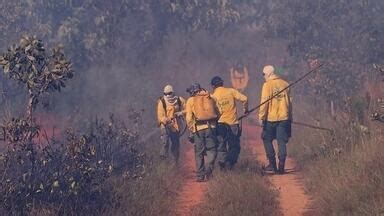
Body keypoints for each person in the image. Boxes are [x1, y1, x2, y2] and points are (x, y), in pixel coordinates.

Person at [258, 65, 292, 174]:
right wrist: (290, 117)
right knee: (281, 141)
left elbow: (264, 103)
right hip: (284, 118)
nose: (263, 76)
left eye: (263, 74)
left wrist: (261, 117)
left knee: (266, 139)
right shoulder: (285, 84)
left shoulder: (267, 85)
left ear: (268, 73)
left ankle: (272, 165)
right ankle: (281, 164)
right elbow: (290, 104)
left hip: (270, 119)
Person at [211, 76, 248, 170]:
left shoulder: (213, 97)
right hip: (233, 124)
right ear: (222, 83)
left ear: (213, 86)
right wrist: (245, 109)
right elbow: (245, 99)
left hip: (220, 125)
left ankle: (222, 164)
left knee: (221, 145)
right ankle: (230, 163)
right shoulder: (231, 91)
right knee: (234, 146)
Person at [185, 83, 219, 182]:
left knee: (199, 153)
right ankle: (209, 171)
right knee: (212, 150)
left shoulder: (190, 100)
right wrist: (214, 124)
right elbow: (218, 111)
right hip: (211, 127)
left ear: (192, 91)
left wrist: (191, 129)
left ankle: (200, 175)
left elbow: (188, 118)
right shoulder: (210, 96)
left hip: (198, 129)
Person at [157, 84, 186, 164]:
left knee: (175, 145)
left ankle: (175, 163)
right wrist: (167, 120)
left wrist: (180, 113)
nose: (168, 95)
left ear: (173, 92)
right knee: (165, 143)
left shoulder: (180, 100)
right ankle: (163, 160)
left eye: (169, 93)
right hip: (165, 126)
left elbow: (188, 110)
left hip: (176, 127)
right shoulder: (162, 102)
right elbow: (160, 117)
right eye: (165, 94)